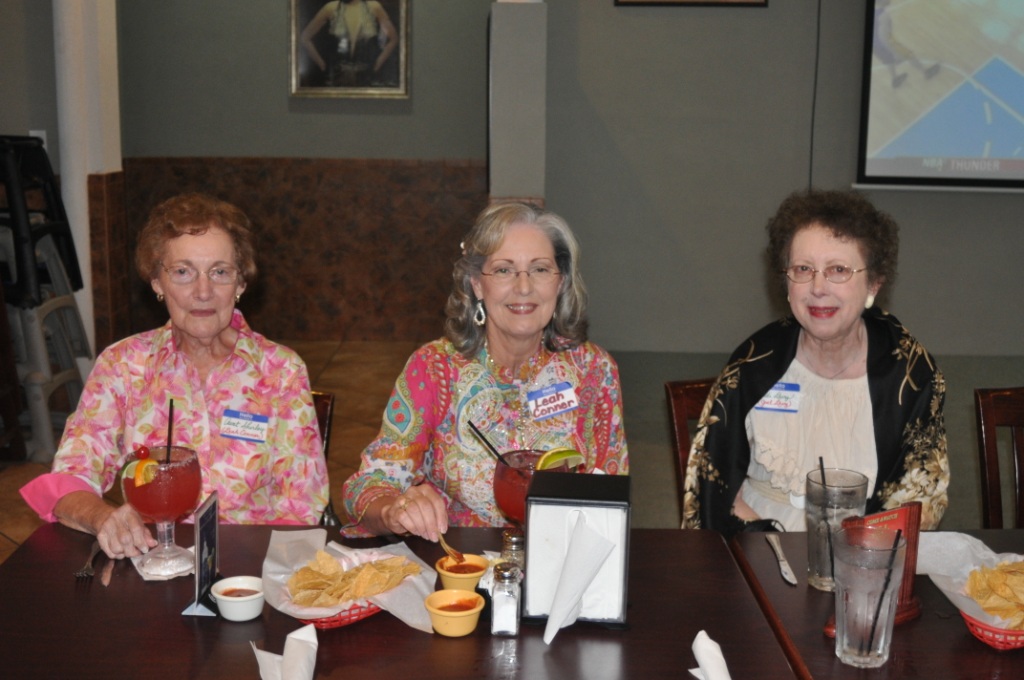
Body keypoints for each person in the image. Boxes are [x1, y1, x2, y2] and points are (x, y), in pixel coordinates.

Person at [20, 194, 329, 559]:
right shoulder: (124, 366)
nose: (202, 291)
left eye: (220, 272)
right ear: (156, 281)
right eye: (182, 272)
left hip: (250, 569)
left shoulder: (280, 371)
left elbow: (302, 509)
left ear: (241, 283)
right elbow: (69, 477)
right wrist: (103, 518)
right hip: (151, 561)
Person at [342, 202, 629, 541]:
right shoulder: (436, 369)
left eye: (539, 269)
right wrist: (394, 509)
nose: (524, 288)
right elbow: (368, 484)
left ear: (560, 282)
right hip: (458, 566)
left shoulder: (593, 371)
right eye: (504, 270)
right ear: (477, 284)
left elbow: (611, 497)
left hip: (561, 561)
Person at [682, 189, 948, 537]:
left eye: (838, 270)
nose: (818, 287)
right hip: (756, 549)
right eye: (803, 269)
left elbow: (919, 503)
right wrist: (770, 552)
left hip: (864, 555)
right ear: (787, 283)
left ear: (874, 284)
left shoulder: (910, 373)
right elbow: (711, 486)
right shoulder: (751, 364)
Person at [300, 0, 399, 88]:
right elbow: (305, 38)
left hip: (367, 79)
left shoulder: (374, 6)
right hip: (336, 79)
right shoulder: (331, 8)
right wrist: (323, 66)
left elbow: (393, 38)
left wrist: (376, 65)